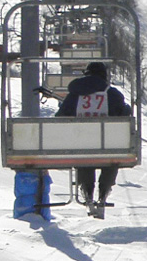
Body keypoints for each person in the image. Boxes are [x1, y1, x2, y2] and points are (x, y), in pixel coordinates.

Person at [43, 61, 130, 215]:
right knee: (112, 159)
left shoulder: (75, 94)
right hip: (108, 142)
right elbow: (123, 113)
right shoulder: (113, 94)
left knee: (84, 158)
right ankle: (104, 192)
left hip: (82, 140)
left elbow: (61, 116)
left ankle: (87, 192)